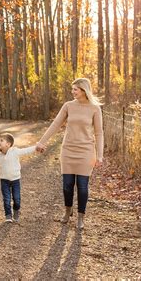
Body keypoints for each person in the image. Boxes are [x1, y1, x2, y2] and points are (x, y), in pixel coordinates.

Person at [36, 78, 104, 230]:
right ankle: (68, 211)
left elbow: (99, 133)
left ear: (84, 90)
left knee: (82, 186)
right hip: (68, 150)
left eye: (75, 89)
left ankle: (81, 216)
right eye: (72, 89)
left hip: (86, 151)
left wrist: (100, 155)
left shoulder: (95, 108)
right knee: (67, 185)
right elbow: (55, 124)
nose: (72, 92)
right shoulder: (68, 106)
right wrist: (42, 141)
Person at [0, 133, 38, 223]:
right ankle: (8, 215)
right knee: (6, 198)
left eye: (1, 140)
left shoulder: (15, 151)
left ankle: (16, 210)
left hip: (15, 180)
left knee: (17, 199)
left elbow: (26, 150)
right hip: (4, 180)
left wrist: (36, 147)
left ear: (8, 144)